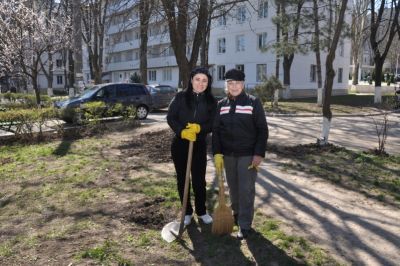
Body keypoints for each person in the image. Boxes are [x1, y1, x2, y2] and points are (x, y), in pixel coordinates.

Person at [212, 68, 268, 239]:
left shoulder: (253, 102)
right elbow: (216, 131)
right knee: (234, 189)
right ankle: (236, 216)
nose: (234, 86)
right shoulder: (221, 105)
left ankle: (245, 225)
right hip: (228, 155)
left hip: (247, 156)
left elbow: (262, 130)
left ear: (243, 84)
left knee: (246, 190)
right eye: (230, 83)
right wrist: (217, 153)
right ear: (226, 85)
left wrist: (258, 154)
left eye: (237, 83)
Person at [167, 67, 217, 226]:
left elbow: (213, 123)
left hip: (199, 145)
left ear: (208, 83)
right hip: (180, 145)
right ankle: (187, 211)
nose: (201, 83)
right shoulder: (180, 97)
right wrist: (182, 132)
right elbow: (171, 117)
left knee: (199, 180)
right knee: (183, 179)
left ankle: (201, 211)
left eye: (204, 81)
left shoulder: (211, 101)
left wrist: (200, 129)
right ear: (191, 80)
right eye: (197, 79)